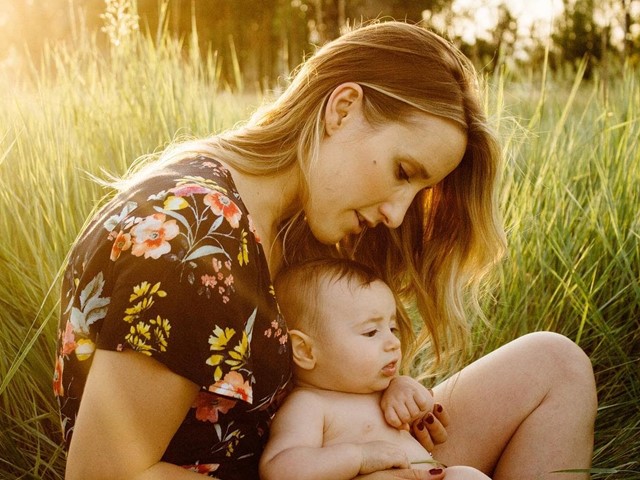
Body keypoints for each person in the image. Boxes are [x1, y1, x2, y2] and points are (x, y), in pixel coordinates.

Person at [53, 20, 597, 480]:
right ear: (343, 109)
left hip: (323, 452)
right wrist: (353, 462)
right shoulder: (195, 243)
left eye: (418, 192)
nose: (398, 214)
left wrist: (382, 398)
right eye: (402, 172)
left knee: (555, 365)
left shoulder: (283, 218)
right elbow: (102, 473)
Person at [260, 257, 491, 480]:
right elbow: (279, 470)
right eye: (371, 332)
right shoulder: (309, 405)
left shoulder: (385, 389)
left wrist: (411, 395)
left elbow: (425, 416)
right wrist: (359, 457)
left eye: (392, 328)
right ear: (305, 351)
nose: (393, 343)